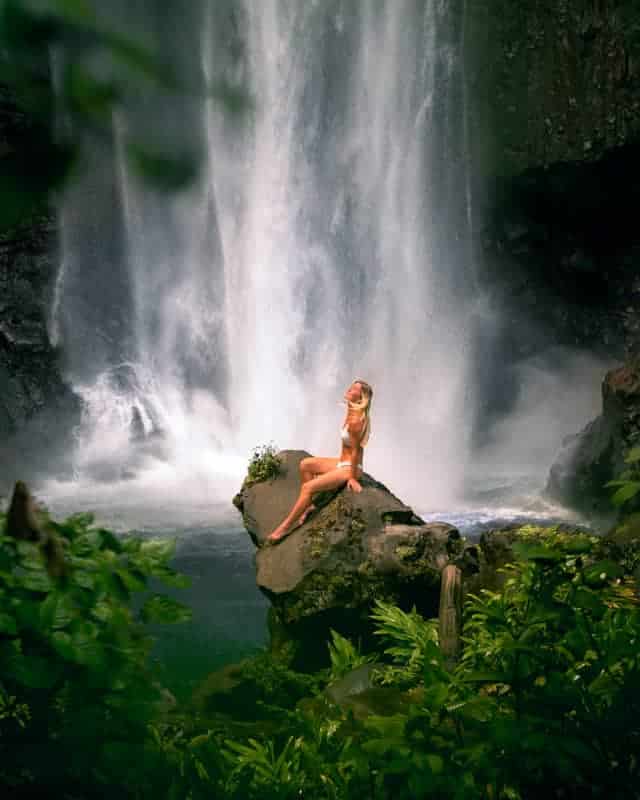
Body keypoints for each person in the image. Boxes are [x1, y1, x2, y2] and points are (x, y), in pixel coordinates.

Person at [266, 379, 373, 544]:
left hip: (351, 467)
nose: (349, 390)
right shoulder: (351, 411)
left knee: (307, 487)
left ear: (361, 397)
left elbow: (356, 450)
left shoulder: (357, 421)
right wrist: (339, 465)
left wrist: (351, 478)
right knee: (305, 464)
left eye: (354, 390)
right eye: (350, 387)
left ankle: (284, 527)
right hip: (342, 463)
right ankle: (308, 505)